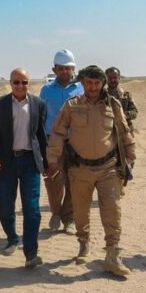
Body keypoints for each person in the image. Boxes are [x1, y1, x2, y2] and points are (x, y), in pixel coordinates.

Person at [46, 65, 135, 277]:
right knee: (80, 211)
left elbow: (125, 133)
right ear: (83, 83)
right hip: (80, 169)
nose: (93, 87)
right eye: (89, 83)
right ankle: (83, 243)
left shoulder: (113, 105)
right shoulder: (72, 105)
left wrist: (130, 159)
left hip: (108, 168)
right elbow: (58, 133)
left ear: (103, 83)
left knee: (112, 210)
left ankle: (112, 254)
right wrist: (53, 160)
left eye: (97, 83)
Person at [0, 68, 48, 268]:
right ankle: (12, 238)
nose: (20, 86)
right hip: (7, 162)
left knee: (32, 209)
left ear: (29, 83)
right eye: (16, 82)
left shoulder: (38, 104)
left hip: (30, 162)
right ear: (10, 83)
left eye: (24, 82)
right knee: (6, 207)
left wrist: (46, 163)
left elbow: (41, 136)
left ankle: (31, 253)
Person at [40, 49, 83, 234]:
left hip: (76, 142)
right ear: (54, 69)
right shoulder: (46, 90)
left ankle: (69, 219)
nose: (65, 71)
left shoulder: (82, 88)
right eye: (61, 68)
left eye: (68, 68)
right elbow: (41, 116)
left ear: (73, 68)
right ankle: (56, 213)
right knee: (53, 179)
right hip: (53, 141)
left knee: (74, 181)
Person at [106, 67, 138, 134]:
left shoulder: (126, 95)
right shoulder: (102, 96)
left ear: (119, 78)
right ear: (106, 79)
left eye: (115, 77)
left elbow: (135, 112)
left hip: (125, 132)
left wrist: (124, 115)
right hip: (107, 132)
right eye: (110, 78)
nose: (113, 80)